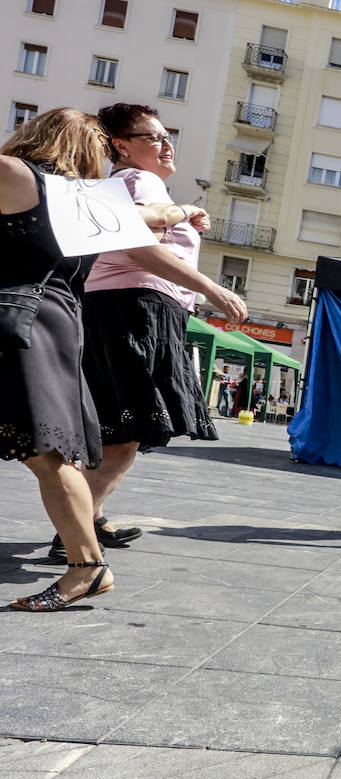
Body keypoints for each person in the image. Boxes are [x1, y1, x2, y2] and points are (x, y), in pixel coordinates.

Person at [50, 103, 247, 561]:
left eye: (166, 136)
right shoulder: (141, 181)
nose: (165, 144)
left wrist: (179, 213)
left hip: (117, 309)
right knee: (128, 432)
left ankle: (90, 518)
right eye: (153, 137)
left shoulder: (128, 182)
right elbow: (135, 242)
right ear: (121, 145)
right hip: (136, 309)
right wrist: (211, 286)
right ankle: (74, 533)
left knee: (113, 427)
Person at [1, 108, 115, 610]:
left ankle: (87, 565)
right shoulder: (89, 203)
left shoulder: (15, 174)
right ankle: (86, 563)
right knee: (44, 452)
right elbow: (151, 224)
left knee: (47, 456)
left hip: (17, 315)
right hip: (56, 319)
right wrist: (180, 213)